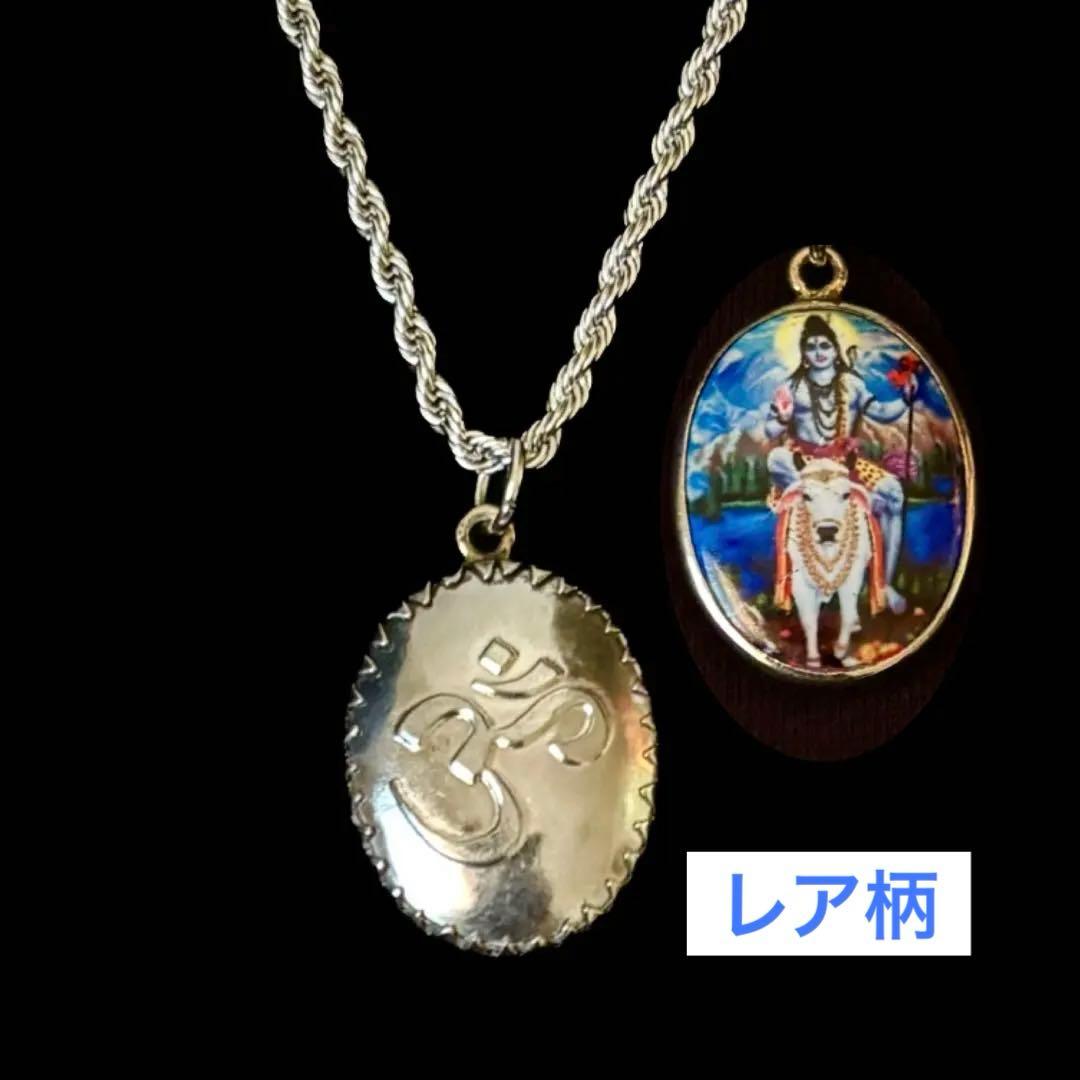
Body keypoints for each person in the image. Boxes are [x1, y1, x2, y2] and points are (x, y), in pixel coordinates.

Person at [764, 314, 916, 614]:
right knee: (776, 458)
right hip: (804, 463)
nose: (818, 352)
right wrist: (782, 418)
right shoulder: (791, 387)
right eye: (811, 347)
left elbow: (882, 413)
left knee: (893, 492)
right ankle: (809, 577)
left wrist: (906, 399)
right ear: (804, 354)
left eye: (825, 345)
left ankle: (884, 584)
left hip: (844, 464)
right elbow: (770, 431)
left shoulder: (852, 384)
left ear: (835, 350)